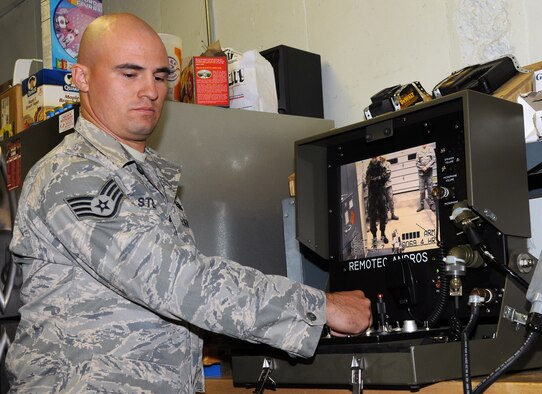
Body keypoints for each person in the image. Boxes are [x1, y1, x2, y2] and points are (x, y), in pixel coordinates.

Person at [5, 14, 372, 393]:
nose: (150, 90)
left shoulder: (140, 176)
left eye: (160, 76)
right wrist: (319, 308)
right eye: (129, 74)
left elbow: (169, 305)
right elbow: (180, 282)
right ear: (81, 78)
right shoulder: (73, 174)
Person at [365, 157, 389, 248]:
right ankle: (374, 238)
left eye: (376, 157)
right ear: (371, 159)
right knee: (372, 217)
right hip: (372, 197)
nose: (374, 159)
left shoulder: (382, 166)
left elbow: (385, 177)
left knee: (383, 215)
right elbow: (368, 181)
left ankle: (383, 235)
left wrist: (376, 179)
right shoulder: (369, 168)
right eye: (373, 158)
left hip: (381, 194)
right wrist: (378, 180)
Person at [416, 144, 436, 212]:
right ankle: (421, 205)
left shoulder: (431, 149)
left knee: (430, 188)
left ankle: (431, 204)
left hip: (429, 172)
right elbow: (417, 163)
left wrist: (427, 166)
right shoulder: (418, 151)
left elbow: (433, 159)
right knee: (422, 190)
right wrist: (422, 167)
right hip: (421, 174)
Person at [379, 156, 398, 220]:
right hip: (381, 186)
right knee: (383, 202)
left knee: (391, 200)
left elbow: (388, 174)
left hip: (388, 185)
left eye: (382, 157)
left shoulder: (388, 164)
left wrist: (381, 176)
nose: (381, 158)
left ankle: (392, 214)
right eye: (380, 157)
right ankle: (386, 216)